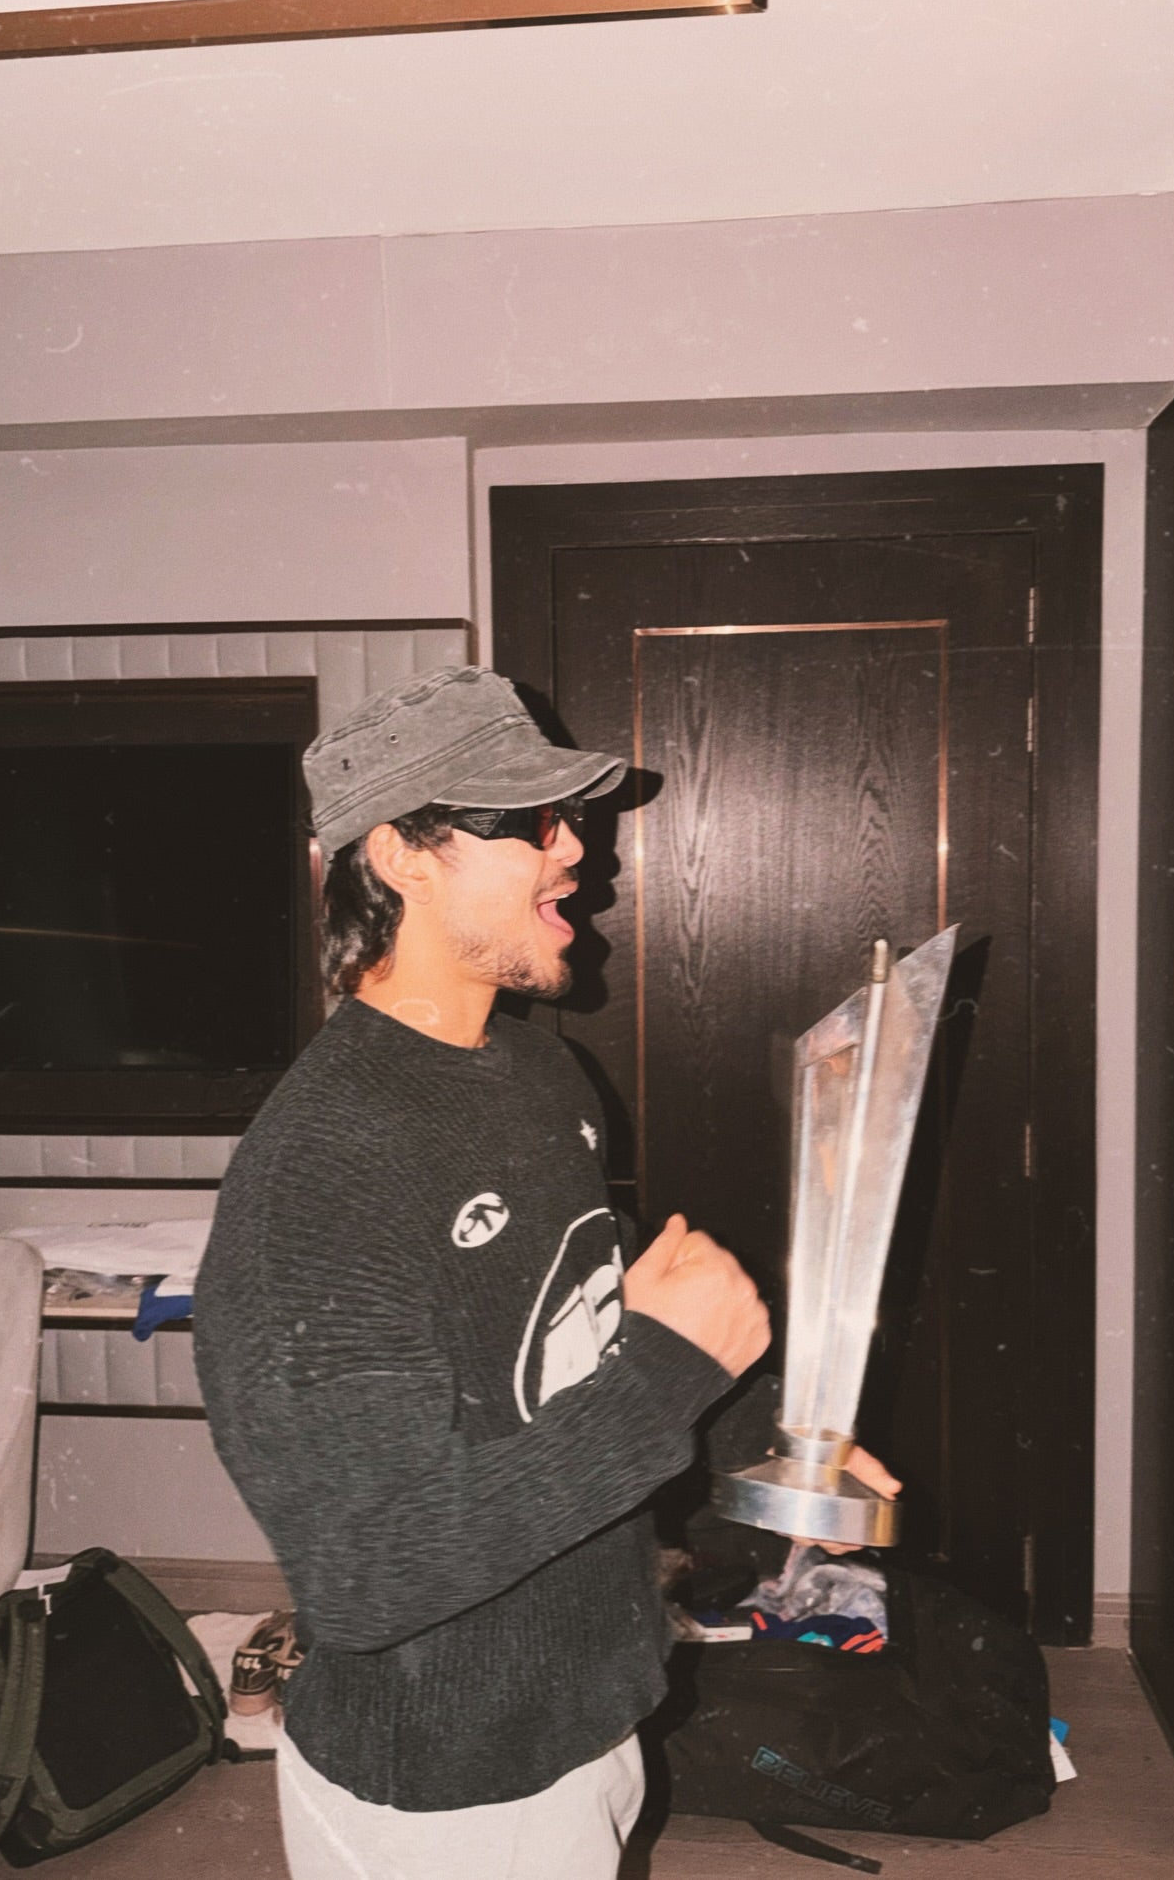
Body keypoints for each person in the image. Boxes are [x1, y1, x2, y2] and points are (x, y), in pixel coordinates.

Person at [193, 665, 898, 1880]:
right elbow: (370, 1572)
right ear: (401, 856)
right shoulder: (318, 1173)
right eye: (529, 821)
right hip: (448, 1783)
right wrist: (674, 1366)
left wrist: (774, 1449)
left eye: (567, 816)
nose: (577, 850)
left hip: (594, 1699)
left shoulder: (538, 1075)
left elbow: (585, 1322)